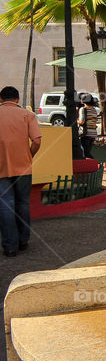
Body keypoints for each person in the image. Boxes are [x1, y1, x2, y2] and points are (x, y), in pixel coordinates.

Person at [0, 87, 41, 257]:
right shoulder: (28, 115)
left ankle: (10, 246)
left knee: (5, 205)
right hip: (24, 167)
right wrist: (28, 156)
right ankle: (23, 240)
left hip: (1, 168)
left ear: (1, 98)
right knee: (23, 203)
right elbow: (37, 141)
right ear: (17, 99)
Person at [77, 94, 99, 159]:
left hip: (85, 134)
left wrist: (76, 121)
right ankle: (95, 164)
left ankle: (97, 163)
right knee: (87, 151)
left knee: (85, 153)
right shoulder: (94, 110)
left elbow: (82, 121)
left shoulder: (83, 109)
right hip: (93, 134)